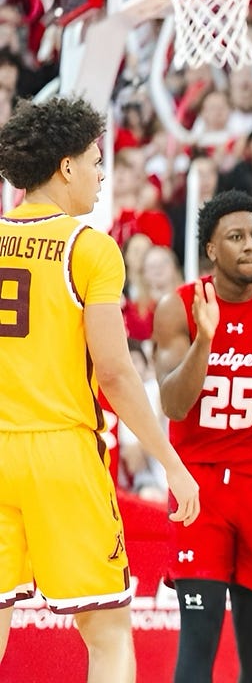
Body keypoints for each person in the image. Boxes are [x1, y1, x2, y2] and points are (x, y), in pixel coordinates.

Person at [0, 96, 199, 682]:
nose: (101, 173)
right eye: (94, 160)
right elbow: (113, 373)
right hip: (60, 450)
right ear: (65, 167)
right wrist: (170, 460)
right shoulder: (89, 246)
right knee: (109, 633)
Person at [153, 189, 252, 683]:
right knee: (197, 644)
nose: (251, 246)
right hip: (198, 491)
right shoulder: (177, 306)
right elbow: (173, 404)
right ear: (210, 249)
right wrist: (205, 339)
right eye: (237, 237)